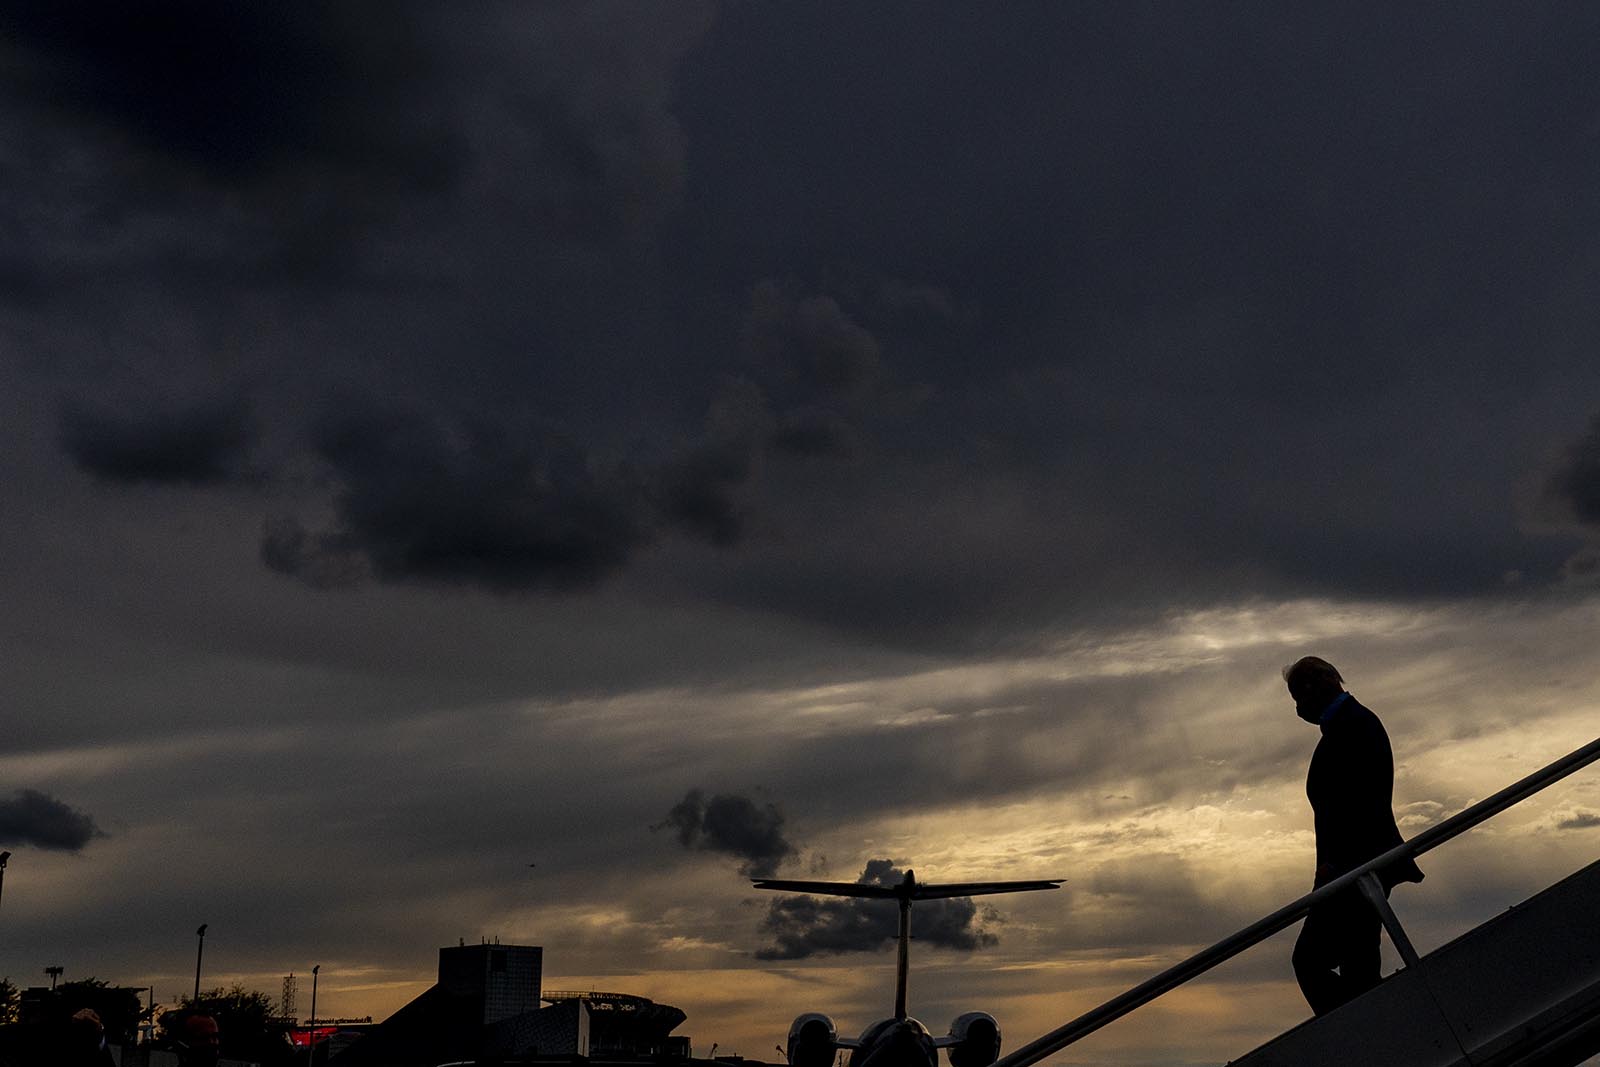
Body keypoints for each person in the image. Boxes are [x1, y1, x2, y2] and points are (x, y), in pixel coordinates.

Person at [1285, 656, 1424, 1015]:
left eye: (1299, 696)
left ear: (1321, 684)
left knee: (1312, 962)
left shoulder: (1353, 725)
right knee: (1358, 968)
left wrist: (1335, 865)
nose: (1299, 709)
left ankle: (1367, 1036)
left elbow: (1355, 803)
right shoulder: (1349, 725)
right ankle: (1373, 1030)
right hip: (1355, 869)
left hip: (1355, 870)